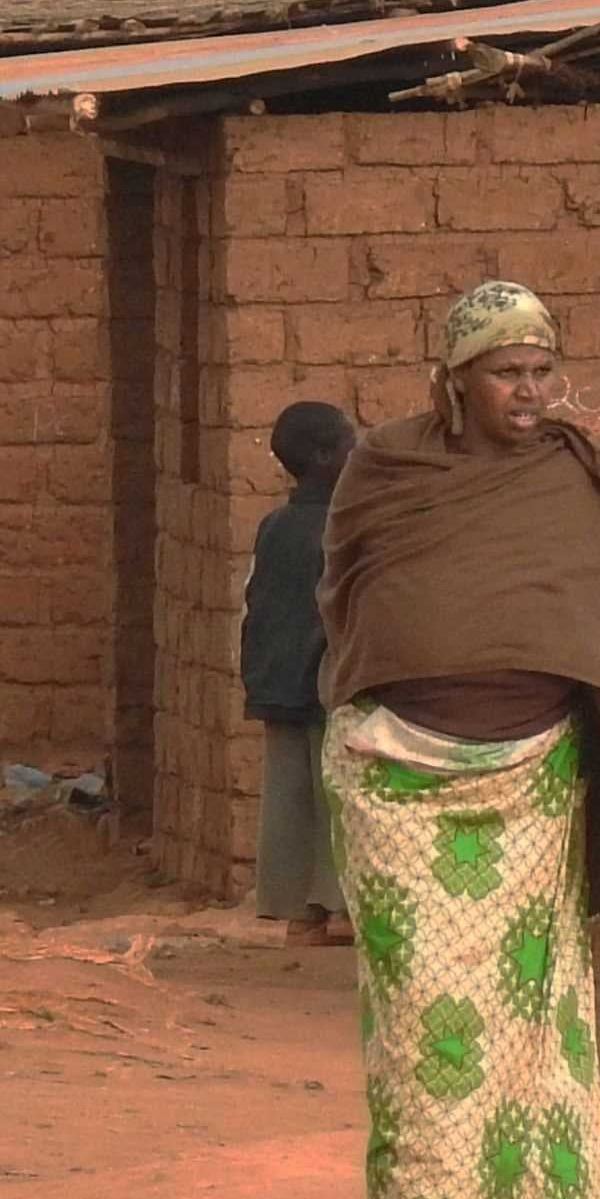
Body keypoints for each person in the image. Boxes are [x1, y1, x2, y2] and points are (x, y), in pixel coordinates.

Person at [314, 281, 600, 1199]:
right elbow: (353, 591)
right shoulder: (388, 468)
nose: (528, 393)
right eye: (506, 374)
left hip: (534, 774)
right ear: (452, 384)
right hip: (395, 774)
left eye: (543, 372)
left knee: (527, 1008)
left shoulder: (573, 473)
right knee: (423, 1009)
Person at [243, 398, 355, 942]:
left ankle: (297, 913)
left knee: (288, 798)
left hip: (275, 677)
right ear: (322, 456)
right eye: (347, 445)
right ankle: (338, 909)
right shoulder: (343, 528)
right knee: (336, 794)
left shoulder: (274, 525)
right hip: (325, 677)